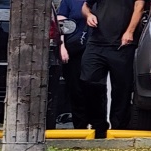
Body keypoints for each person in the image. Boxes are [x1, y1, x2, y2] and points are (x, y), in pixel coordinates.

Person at [80, 0, 146, 137]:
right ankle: (98, 125)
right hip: (97, 42)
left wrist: (130, 32)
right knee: (88, 80)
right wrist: (89, 15)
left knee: (122, 89)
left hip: (123, 44)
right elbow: (85, 6)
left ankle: (119, 129)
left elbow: (139, 6)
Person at [57, 0, 90, 130]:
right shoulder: (69, 1)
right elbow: (61, 22)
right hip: (74, 50)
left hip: (97, 48)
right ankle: (80, 126)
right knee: (76, 89)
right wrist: (62, 46)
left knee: (95, 87)